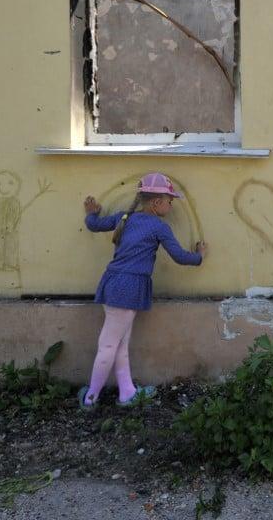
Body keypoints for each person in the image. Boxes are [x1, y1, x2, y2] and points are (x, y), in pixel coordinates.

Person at [78, 172, 206, 409]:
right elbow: (179, 256)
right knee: (108, 345)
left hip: (112, 283)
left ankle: (127, 393)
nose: (171, 204)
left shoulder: (125, 218)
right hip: (129, 289)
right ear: (157, 203)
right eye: (169, 200)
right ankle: (91, 398)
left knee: (118, 344)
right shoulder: (159, 226)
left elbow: (95, 225)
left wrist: (92, 214)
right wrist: (198, 258)